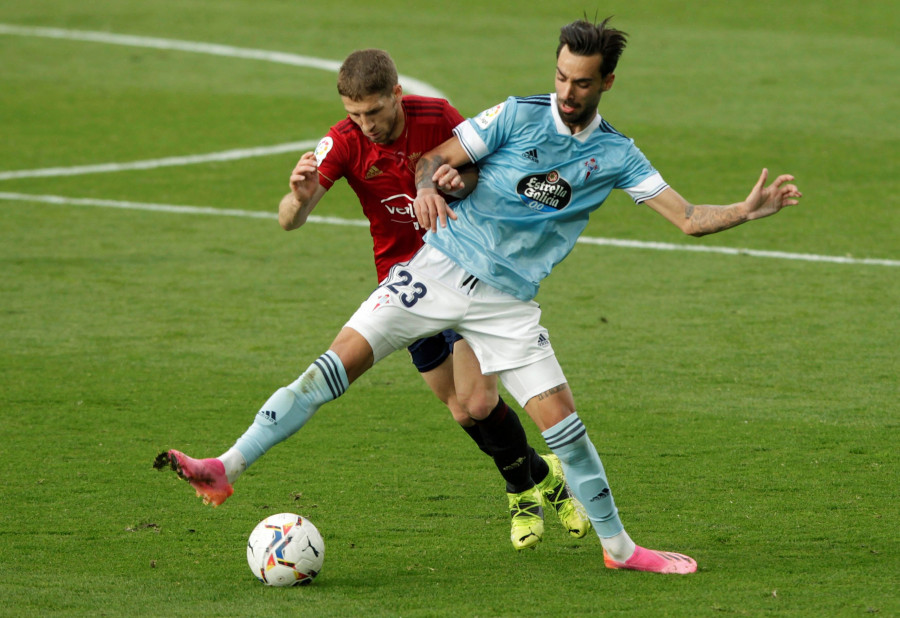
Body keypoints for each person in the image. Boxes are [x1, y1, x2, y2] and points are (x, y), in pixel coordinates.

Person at [158, 18, 802, 574]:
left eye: (581, 82)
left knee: (566, 429)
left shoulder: (617, 156)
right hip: (433, 270)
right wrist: (432, 185)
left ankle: (620, 548)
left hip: (507, 305)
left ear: (606, 82)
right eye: (561, 77)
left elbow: (686, 217)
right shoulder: (515, 114)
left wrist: (746, 211)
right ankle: (226, 467)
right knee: (329, 370)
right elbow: (434, 157)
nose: (567, 93)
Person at [155, 49, 591, 552]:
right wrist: (296, 196)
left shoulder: (439, 117)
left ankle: (522, 491)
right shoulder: (342, 143)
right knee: (460, 411)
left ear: (397, 95)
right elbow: (288, 220)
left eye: (375, 113)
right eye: (355, 115)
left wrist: (455, 187)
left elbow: (486, 177)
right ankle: (545, 475)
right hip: (406, 286)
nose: (366, 125)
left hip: (469, 271)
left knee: (478, 400)